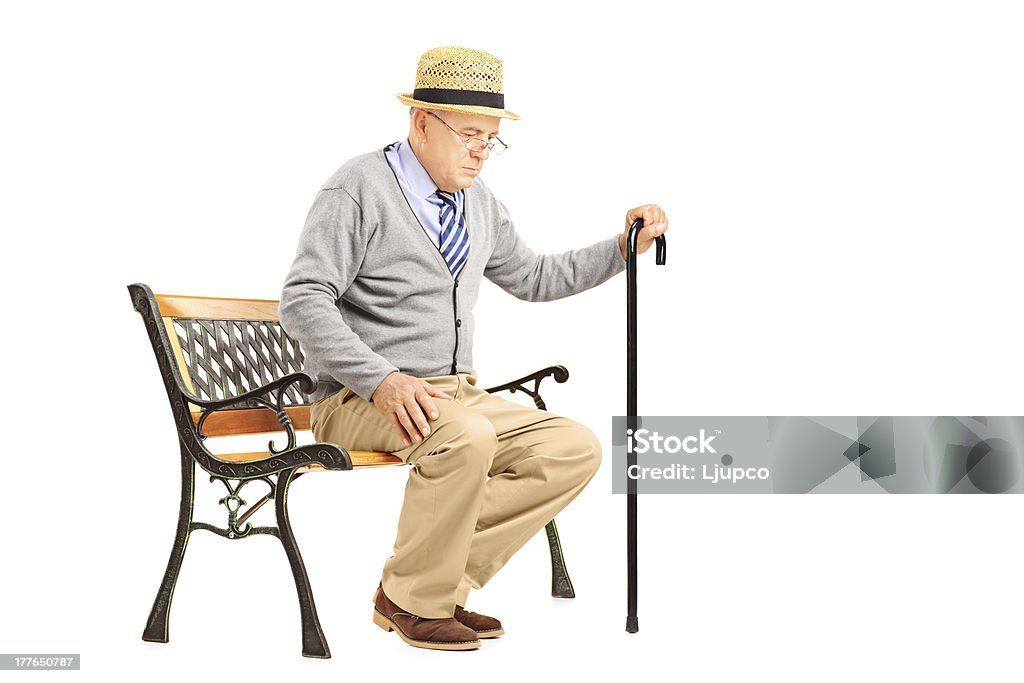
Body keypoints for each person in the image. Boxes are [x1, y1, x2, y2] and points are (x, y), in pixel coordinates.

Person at [278, 45, 668, 651]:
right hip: (360, 399)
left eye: (491, 138)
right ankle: (418, 597)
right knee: (467, 435)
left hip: (452, 398)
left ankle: (427, 586)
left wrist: (623, 246)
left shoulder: (479, 203)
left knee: (572, 448)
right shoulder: (359, 187)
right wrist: (382, 379)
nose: (481, 151)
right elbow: (304, 300)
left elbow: (536, 277)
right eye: (468, 134)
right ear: (422, 123)